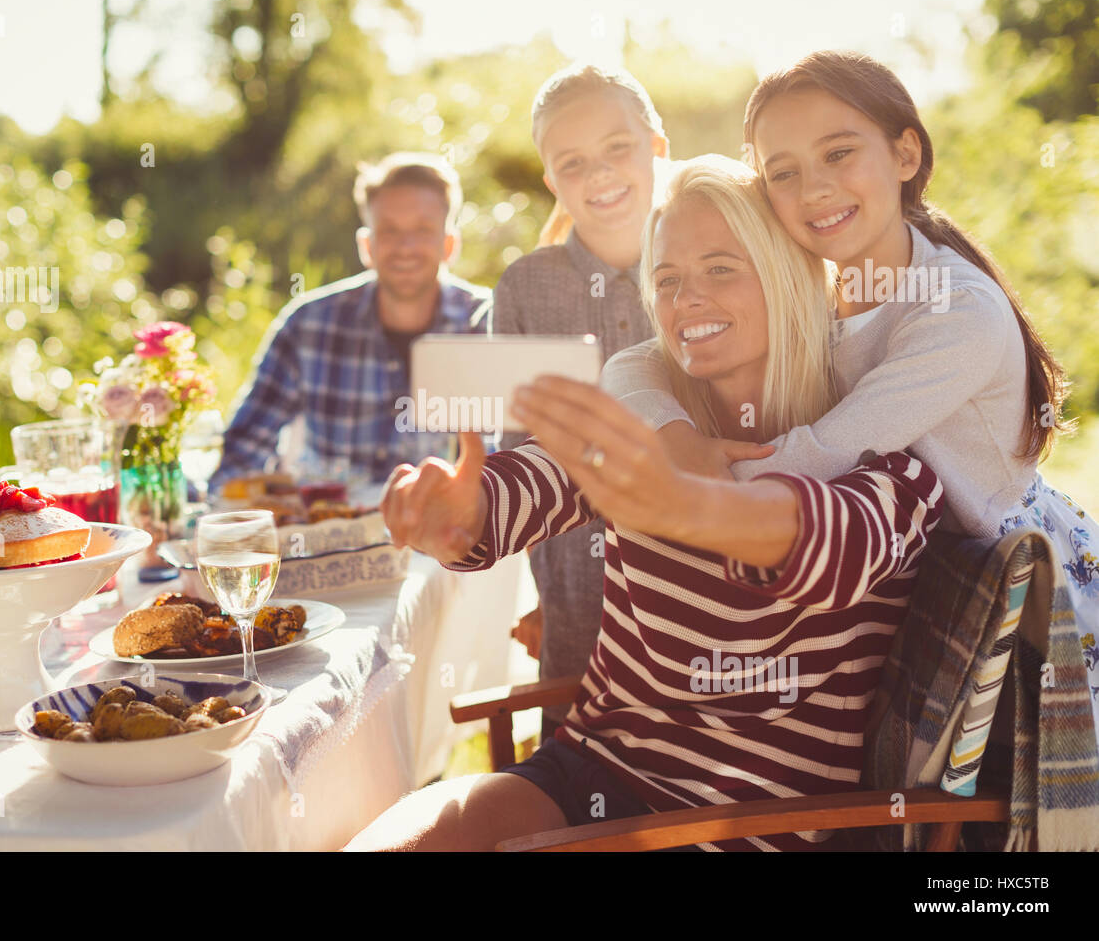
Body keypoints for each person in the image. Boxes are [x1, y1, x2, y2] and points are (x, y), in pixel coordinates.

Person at [346, 155, 944, 852]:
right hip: (589, 771)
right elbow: (526, 490)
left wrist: (683, 503)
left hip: (741, 828)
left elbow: (819, 544)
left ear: (788, 276)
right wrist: (457, 517)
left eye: (721, 268)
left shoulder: (890, 464)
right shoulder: (645, 429)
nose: (687, 297)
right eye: (667, 279)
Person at [600, 50, 1099, 733]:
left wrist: (683, 491)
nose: (814, 190)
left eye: (839, 154)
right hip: (892, 577)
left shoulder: (955, 313)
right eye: (784, 172)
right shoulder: (814, 285)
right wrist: (675, 437)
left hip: (1005, 589)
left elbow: (828, 450)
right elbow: (639, 363)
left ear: (905, 153)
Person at [492, 64, 719, 739]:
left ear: (657, 146)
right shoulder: (525, 289)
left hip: (712, 588)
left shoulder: (719, 261)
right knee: (580, 789)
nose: (599, 175)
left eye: (617, 149)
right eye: (573, 162)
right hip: (581, 610)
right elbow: (520, 457)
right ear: (552, 181)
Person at [209, 152, 491, 491]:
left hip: (446, 536)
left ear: (449, 245)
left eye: (423, 229)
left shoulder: (489, 324)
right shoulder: (308, 323)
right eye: (388, 231)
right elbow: (246, 446)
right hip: (326, 533)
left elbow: (511, 460)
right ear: (366, 245)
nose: (405, 247)